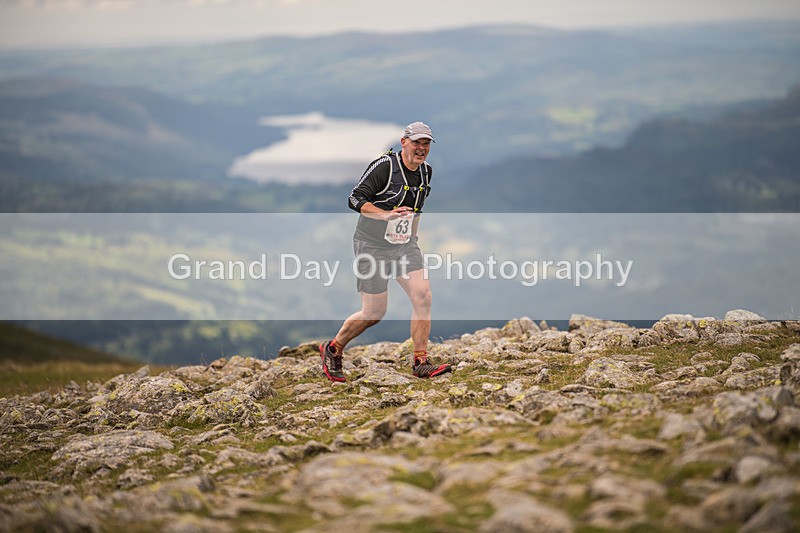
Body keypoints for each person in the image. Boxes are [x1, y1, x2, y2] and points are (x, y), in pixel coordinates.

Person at [319, 121, 452, 382]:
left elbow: (416, 209)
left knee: (423, 295)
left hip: (404, 245)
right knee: (374, 313)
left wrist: (412, 235)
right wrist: (385, 216)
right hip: (371, 244)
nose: (421, 148)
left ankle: (421, 361)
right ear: (404, 142)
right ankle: (333, 348)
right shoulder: (385, 166)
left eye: (426, 144)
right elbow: (355, 198)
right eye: (416, 142)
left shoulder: (426, 172)